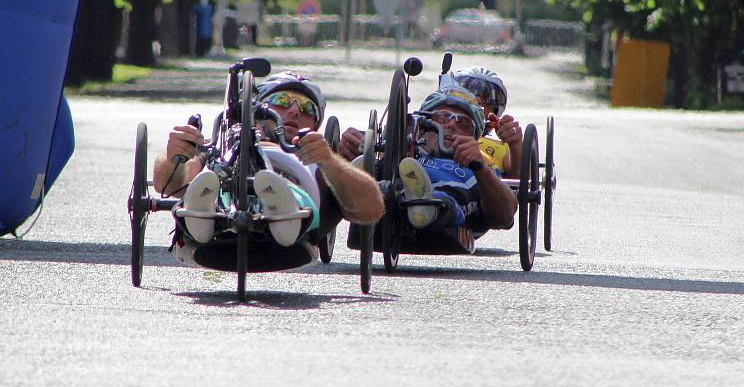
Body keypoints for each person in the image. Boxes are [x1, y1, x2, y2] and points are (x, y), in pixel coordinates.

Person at [153, 71, 384, 265]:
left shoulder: (320, 159)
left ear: (316, 123)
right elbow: (168, 185)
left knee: (305, 177)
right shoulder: (222, 145)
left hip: (296, 214)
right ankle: (202, 214)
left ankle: (284, 212)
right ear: (258, 110)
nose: (294, 111)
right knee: (207, 175)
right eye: (282, 101)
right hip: (217, 206)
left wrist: (331, 162)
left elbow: (373, 209)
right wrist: (173, 156)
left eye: (307, 108)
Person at [339, 84, 517, 235]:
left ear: (475, 136)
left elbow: (506, 216)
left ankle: (425, 205)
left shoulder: (479, 167)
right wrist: (354, 149)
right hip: (395, 184)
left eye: (463, 123)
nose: (451, 124)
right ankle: (359, 181)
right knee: (383, 172)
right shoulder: (404, 152)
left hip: (446, 201)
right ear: (422, 126)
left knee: (446, 199)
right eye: (442, 117)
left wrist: (480, 168)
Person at [453, 66, 523, 179]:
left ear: (495, 110)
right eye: (467, 93)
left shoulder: (504, 147)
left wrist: (515, 145)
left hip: (482, 189)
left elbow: (521, 179)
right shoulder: (433, 134)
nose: (476, 101)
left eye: (487, 98)